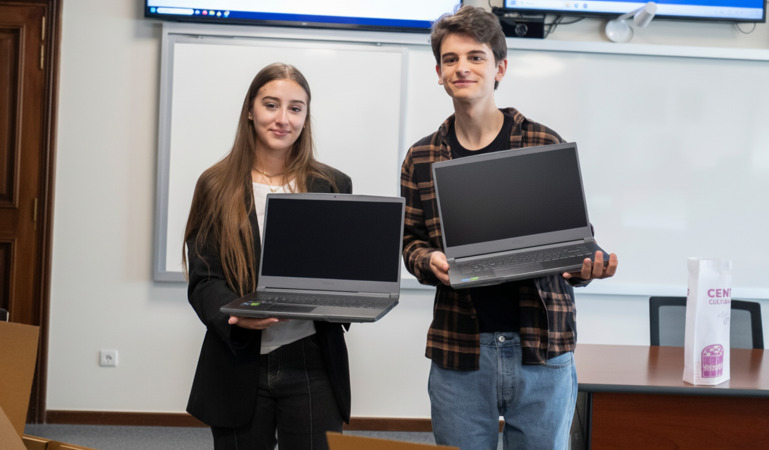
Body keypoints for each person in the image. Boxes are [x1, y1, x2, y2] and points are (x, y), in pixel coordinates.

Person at [400, 6, 619, 450]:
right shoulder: (421, 156)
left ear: (499, 67)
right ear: (439, 73)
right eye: (450, 59)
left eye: (475, 57)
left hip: (542, 348)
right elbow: (410, 243)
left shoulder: (542, 143)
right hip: (460, 350)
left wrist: (586, 266)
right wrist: (428, 260)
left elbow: (575, 240)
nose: (462, 67)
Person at [182, 63, 352, 450]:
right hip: (237, 360)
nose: (282, 119)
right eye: (271, 105)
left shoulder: (332, 185)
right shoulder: (215, 185)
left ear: (306, 117)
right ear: (250, 110)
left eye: (295, 108)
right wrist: (236, 314)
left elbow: (341, 270)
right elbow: (204, 278)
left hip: (312, 360)